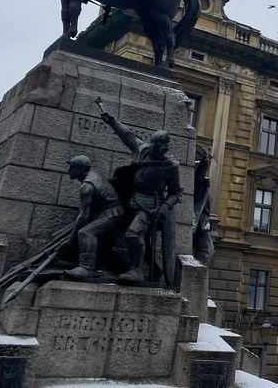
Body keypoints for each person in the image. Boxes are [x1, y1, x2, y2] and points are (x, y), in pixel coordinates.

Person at [97, 103, 181, 285]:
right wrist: (112, 121)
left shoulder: (170, 166)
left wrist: (164, 208)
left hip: (150, 206)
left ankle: (136, 271)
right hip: (129, 200)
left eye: (167, 147)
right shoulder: (142, 151)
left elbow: (175, 193)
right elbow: (127, 136)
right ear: (153, 144)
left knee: (133, 235)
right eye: (161, 146)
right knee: (108, 225)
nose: (164, 150)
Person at [65, 155, 124, 279]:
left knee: (85, 233)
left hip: (112, 213)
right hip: (105, 212)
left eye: (73, 168)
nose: (69, 171)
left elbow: (83, 216)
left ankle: (86, 267)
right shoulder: (93, 176)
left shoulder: (87, 186)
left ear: (82, 169)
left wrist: (72, 238)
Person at [192, 147, 214, 265]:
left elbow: (206, 210)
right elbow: (198, 176)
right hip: (191, 220)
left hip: (201, 223)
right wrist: (204, 162)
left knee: (209, 251)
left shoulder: (205, 186)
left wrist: (206, 222)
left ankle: (196, 273)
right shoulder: (197, 183)